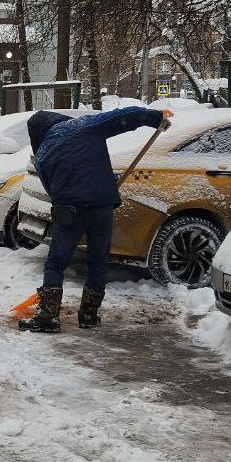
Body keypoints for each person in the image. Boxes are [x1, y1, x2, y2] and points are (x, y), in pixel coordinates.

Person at [19, 107, 171, 333]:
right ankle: (89, 315)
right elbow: (121, 117)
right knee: (97, 261)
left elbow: (52, 190)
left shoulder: (42, 155)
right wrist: (155, 117)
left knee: (56, 263)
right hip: (102, 207)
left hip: (69, 210)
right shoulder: (85, 126)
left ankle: (48, 316)